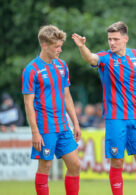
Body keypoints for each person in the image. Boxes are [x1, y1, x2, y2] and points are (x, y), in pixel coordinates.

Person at [72, 21, 136, 195]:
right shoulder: (105, 57)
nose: (112, 43)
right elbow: (90, 57)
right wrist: (82, 47)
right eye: (110, 39)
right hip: (115, 119)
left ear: (125, 39)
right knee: (117, 162)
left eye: (116, 39)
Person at [22, 25, 81, 195]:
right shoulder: (31, 70)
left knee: (75, 165)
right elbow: (28, 103)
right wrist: (35, 132)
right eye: (56, 46)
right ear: (44, 45)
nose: (60, 50)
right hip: (45, 127)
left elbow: (67, 96)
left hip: (63, 126)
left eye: (61, 46)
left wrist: (75, 123)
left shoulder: (62, 66)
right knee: (45, 166)